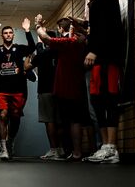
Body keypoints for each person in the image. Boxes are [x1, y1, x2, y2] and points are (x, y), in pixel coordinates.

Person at [82, 0, 124, 164]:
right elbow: (98, 28)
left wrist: (93, 50)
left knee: (109, 100)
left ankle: (112, 147)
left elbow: (108, 29)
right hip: (101, 58)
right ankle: (106, 146)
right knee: (99, 100)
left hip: (108, 57)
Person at [35, 15, 89, 162]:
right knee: (75, 120)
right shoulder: (83, 42)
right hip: (77, 84)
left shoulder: (69, 42)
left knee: (71, 120)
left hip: (66, 86)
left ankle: (76, 152)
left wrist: (38, 26)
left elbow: (46, 39)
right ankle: (76, 151)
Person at [0, 15, 35, 160]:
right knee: (3, 115)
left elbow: (32, 47)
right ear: (2, 35)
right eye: (5, 33)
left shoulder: (18, 49)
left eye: (10, 33)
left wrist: (27, 31)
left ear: (13, 35)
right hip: (1, 89)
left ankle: (11, 141)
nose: (8, 35)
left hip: (18, 89)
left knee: (16, 118)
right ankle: (3, 147)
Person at [30, 30, 65, 160]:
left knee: (49, 120)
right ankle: (61, 149)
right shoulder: (61, 52)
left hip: (45, 90)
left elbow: (28, 67)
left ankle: (54, 149)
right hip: (60, 89)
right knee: (60, 120)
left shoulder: (42, 54)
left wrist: (31, 56)